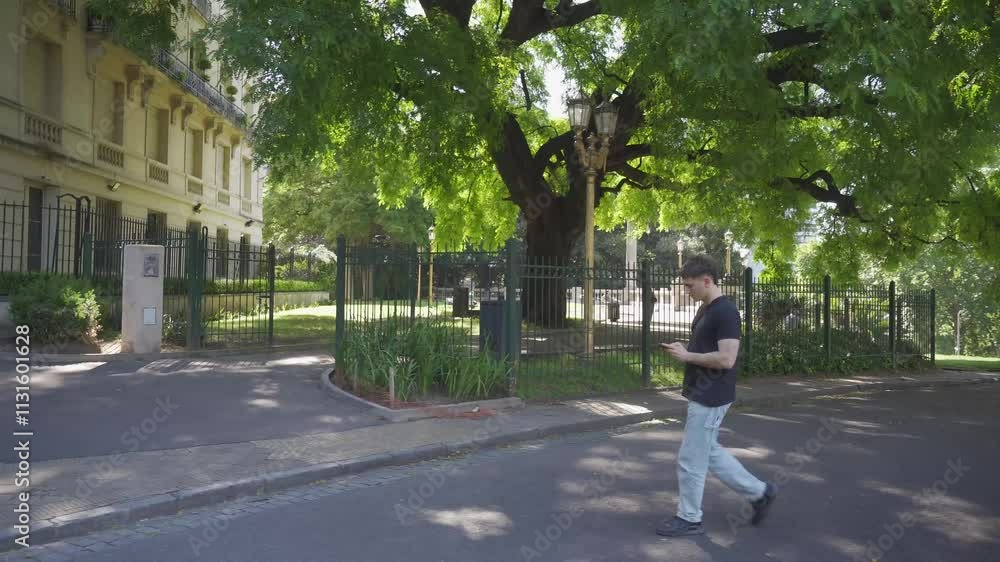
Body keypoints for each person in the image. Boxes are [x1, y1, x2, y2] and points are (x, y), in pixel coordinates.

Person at [657, 254, 776, 537]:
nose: (687, 290)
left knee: (690, 459)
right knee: (708, 452)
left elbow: (726, 359)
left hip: (712, 396)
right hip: (702, 392)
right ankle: (760, 493)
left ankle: (689, 518)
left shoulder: (726, 312)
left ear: (707, 281)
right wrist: (685, 350)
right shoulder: (706, 309)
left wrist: (688, 356)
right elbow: (706, 347)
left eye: (690, 285)